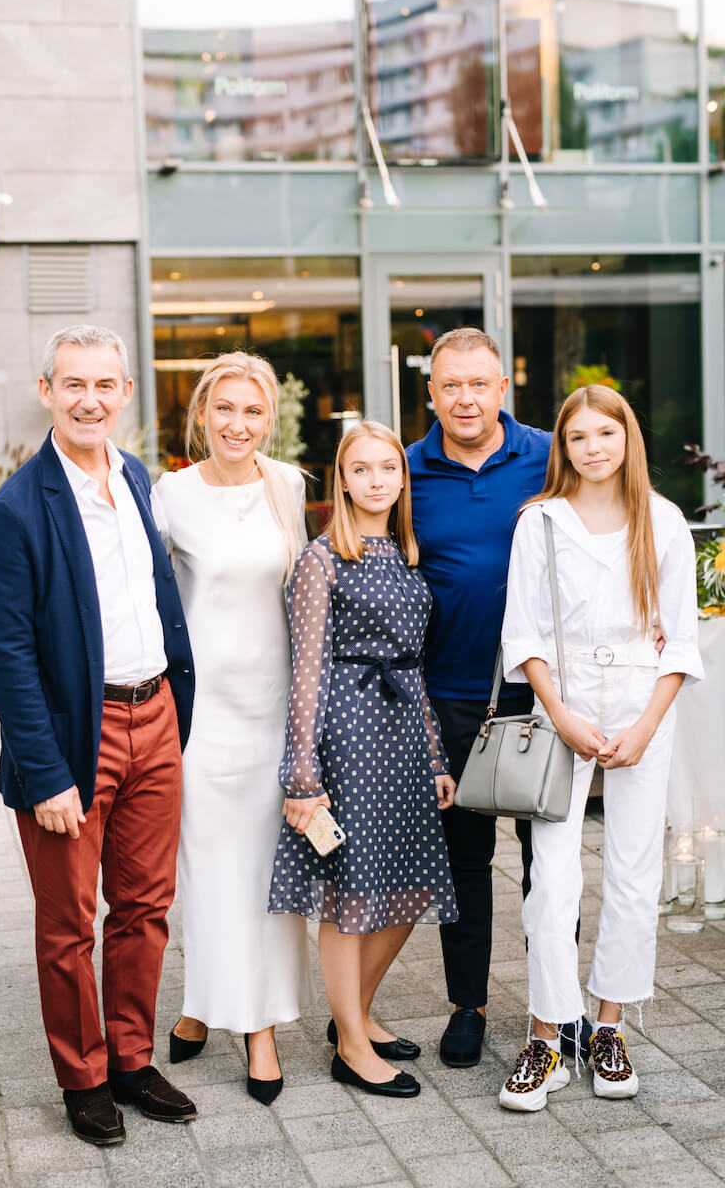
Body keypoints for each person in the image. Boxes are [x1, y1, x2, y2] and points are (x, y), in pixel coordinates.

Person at [0, 326, 197, 1146]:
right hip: (77, 736)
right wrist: (44, 775)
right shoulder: (14, 510)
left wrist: (176, 708)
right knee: (68, 924)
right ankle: (84, 1077)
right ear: (46, 391)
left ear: (126, 393)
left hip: (156, 718)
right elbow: (8, 656)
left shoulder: (135, 477)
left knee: (144, 907)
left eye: (105, 385)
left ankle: (132, 1060)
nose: (90, 400)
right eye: (74, 384)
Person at [498, 385, 702, 1111]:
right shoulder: (541, 522)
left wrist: (645, 725)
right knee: (552, 881)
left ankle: (608, 1027)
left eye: (605, 434)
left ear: (627, 439)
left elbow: (681, 639)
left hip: (645, 704)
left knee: (634, 872)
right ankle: (548, 1035)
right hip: (564, 702)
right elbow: (522, 633)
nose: (593, 449)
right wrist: (560, 714)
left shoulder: (663, 521)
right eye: (578, 437)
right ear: (562, 446)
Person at [269, 420, 459, 1099]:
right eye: (362, 469)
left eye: (388, 468)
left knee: (412, 886)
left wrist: (435, 756)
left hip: (404, 735)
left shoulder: (407, 553)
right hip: (348, 737)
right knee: (349, 895)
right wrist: (302, 773)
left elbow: (415, 666)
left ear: (402, 479)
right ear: (343, 481)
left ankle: (356, 1013)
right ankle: (351, 1045)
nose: (377, 480)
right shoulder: (322, 559)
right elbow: (306, 669)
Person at [151, 351, 314, 1106]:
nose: (237, 424)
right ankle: (223, 1013)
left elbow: (304, 598)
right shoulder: (170, 495)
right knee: (210, 875)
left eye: (252, 411)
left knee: (267, 875)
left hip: (275, 713)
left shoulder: (289, 485)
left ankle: (246, 1021)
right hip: (202, 720)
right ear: (202, 414)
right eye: (225, 408)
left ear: (269, 419)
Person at [406, 327, 555, 1069]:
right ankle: (469, 1005)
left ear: (502, 388)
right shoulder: (405, 471)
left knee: (547, 861)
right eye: (450, 385)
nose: (465, 398)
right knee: (464, 861)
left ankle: (553, 1008)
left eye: (478, 383)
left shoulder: (551, 456)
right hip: (448, 700)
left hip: (541, 696)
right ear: (431, 392)